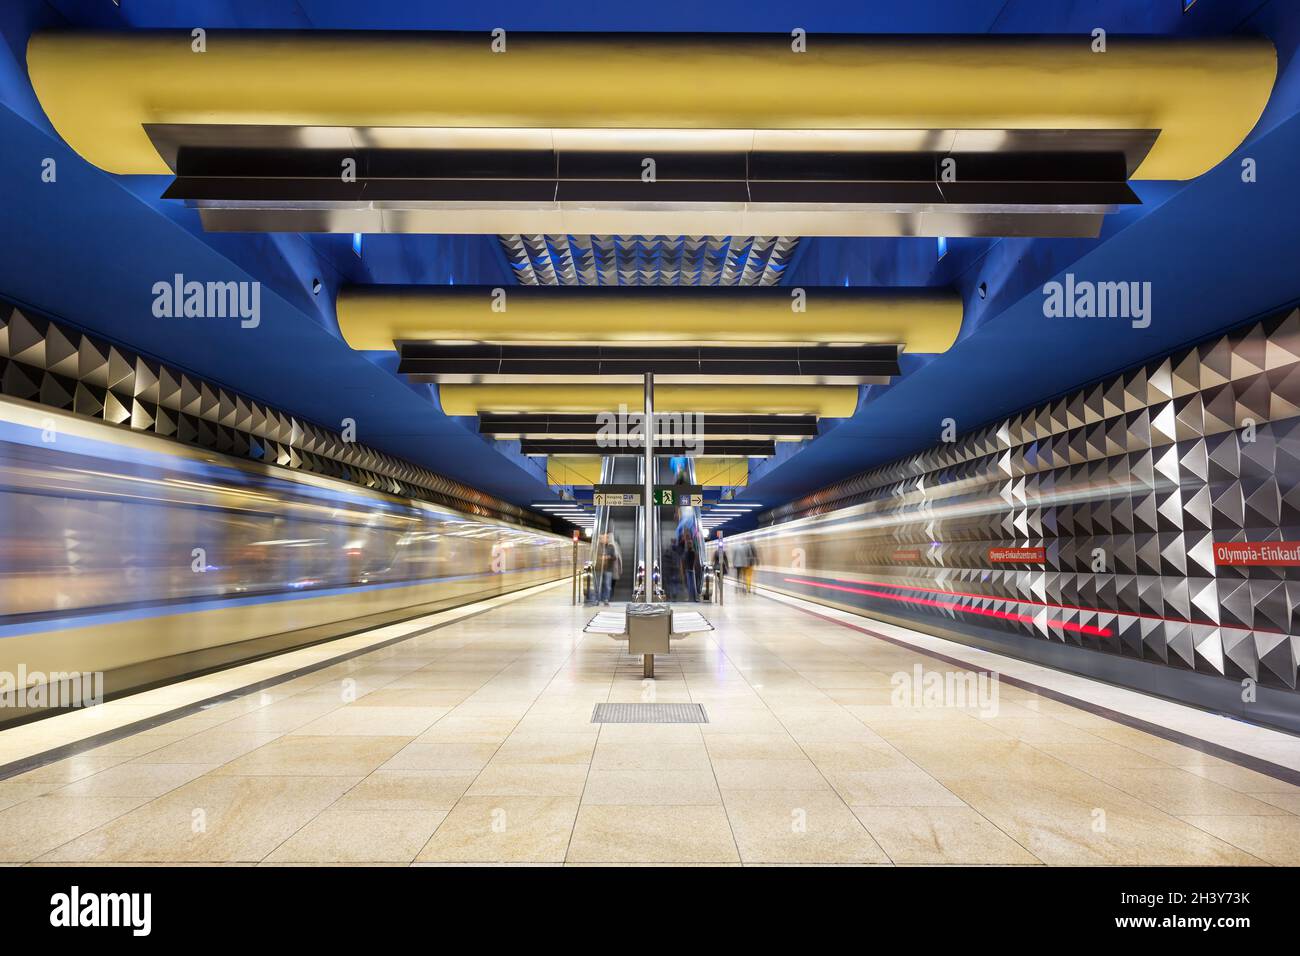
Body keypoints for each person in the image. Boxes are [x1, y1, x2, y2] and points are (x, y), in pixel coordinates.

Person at [599, 531, 622, 605]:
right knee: (602, 584)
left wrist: (607, 557)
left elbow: (614, 557)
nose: (604, 539)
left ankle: (606, 599)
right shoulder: (600, 546)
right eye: (603, 537)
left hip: (608, 569)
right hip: (600, 569)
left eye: (606, 537)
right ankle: (601, 598)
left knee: (607, 585)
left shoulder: (611, 546)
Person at [681, 529, 699, 602]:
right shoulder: (691, 552)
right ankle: (693, 597)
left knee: (691, 584)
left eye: (690, 544)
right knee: (691, 584)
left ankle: (692, 597)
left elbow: (690, 560)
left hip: (691, 569)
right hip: (690, 569)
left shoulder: (690, 552)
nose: (689, 545)